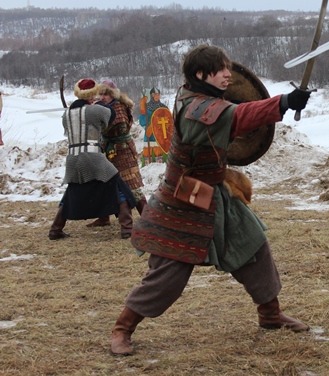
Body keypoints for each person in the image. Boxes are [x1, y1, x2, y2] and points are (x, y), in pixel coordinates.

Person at [110, 44, 312, 356]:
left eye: (228, 69)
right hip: (183, 201)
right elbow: (238, 116)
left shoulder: (197, 94)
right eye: (220, 70)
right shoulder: (195, 108)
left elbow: (231, 110)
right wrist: (283, 103)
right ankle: (123, 328)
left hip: (216, 192)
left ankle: (270, 314)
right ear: (201, 74)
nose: (228, 75)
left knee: (253, 246)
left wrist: (276, 103)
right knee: (168, 274)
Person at [48, 79, 137, 240]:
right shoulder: (95, 110)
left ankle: (55, 229)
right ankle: (127, 228)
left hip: (73, 158)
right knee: (119, 186)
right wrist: (99, 104)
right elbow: (111, 115)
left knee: (71, 192)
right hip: (92, 156)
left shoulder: (67, 114)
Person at [86, 80, 147, 229]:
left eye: (106, 94)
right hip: (108, 150)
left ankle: (149, 219)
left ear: (113, 94)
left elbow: (114, 126)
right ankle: (103, 217)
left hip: (123, 151)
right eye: (101, 94)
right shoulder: (106, 107)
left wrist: (97, 112)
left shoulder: (118, 107)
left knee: (131, 185)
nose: (103, 97)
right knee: (103, 183)